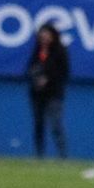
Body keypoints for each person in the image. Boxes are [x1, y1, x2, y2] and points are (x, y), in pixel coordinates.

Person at [25, 22, 69, 158]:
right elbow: (30, 68)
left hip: (53, 93)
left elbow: (64, 72)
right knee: (39, 123)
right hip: (37, 93)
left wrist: (48, 79)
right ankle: (39, 154)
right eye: (41, 36)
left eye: (46, 36)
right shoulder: (37, 51)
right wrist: (35, 78)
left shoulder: (60, 51)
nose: (44, 38)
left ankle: (62, 154)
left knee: (55, 124)